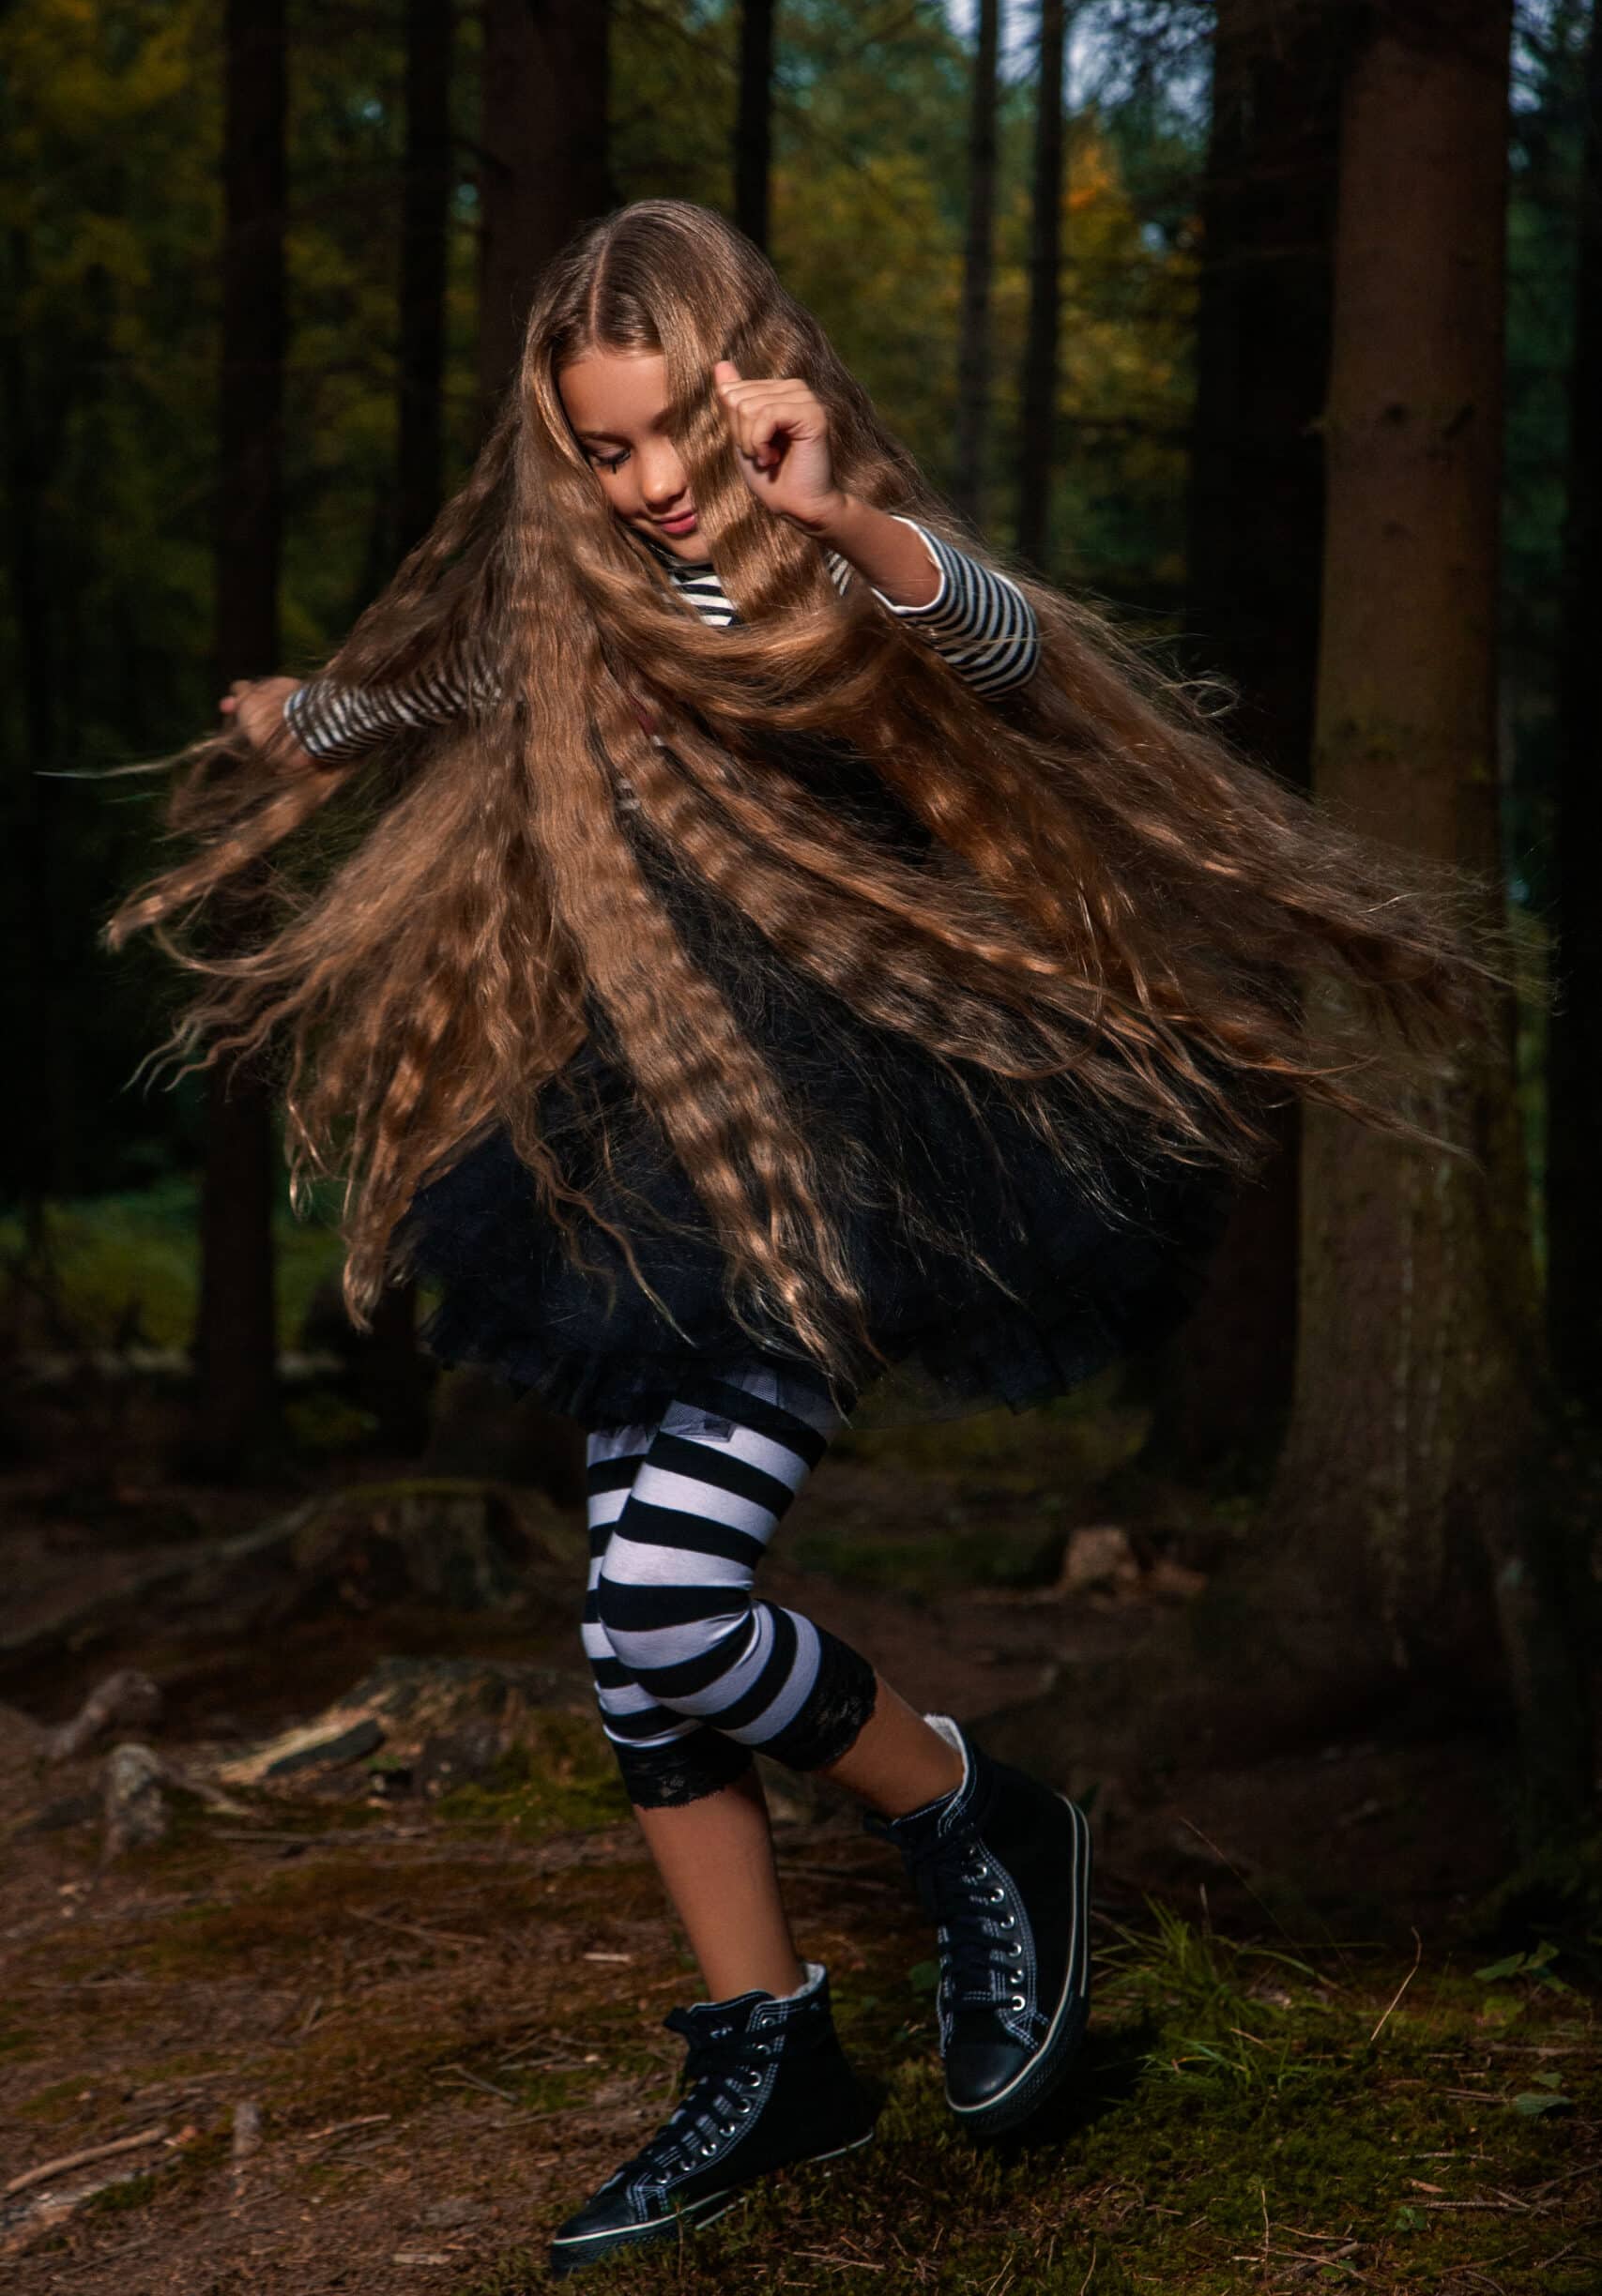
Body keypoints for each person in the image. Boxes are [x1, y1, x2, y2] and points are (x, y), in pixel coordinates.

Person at [111, 199, 1495, 2277]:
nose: (655, 479)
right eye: (605, 450)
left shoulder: (839, 560)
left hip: (828, 1157)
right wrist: (322, 715)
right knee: (622, 1634)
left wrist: (839, 517)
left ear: (744, 380)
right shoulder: (589, 601)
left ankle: (968, 1806)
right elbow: (484, 674)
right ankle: (774, 2052)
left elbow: (1003, 648)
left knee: (674, 1593)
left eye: (673, 426)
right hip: (636, 1136)